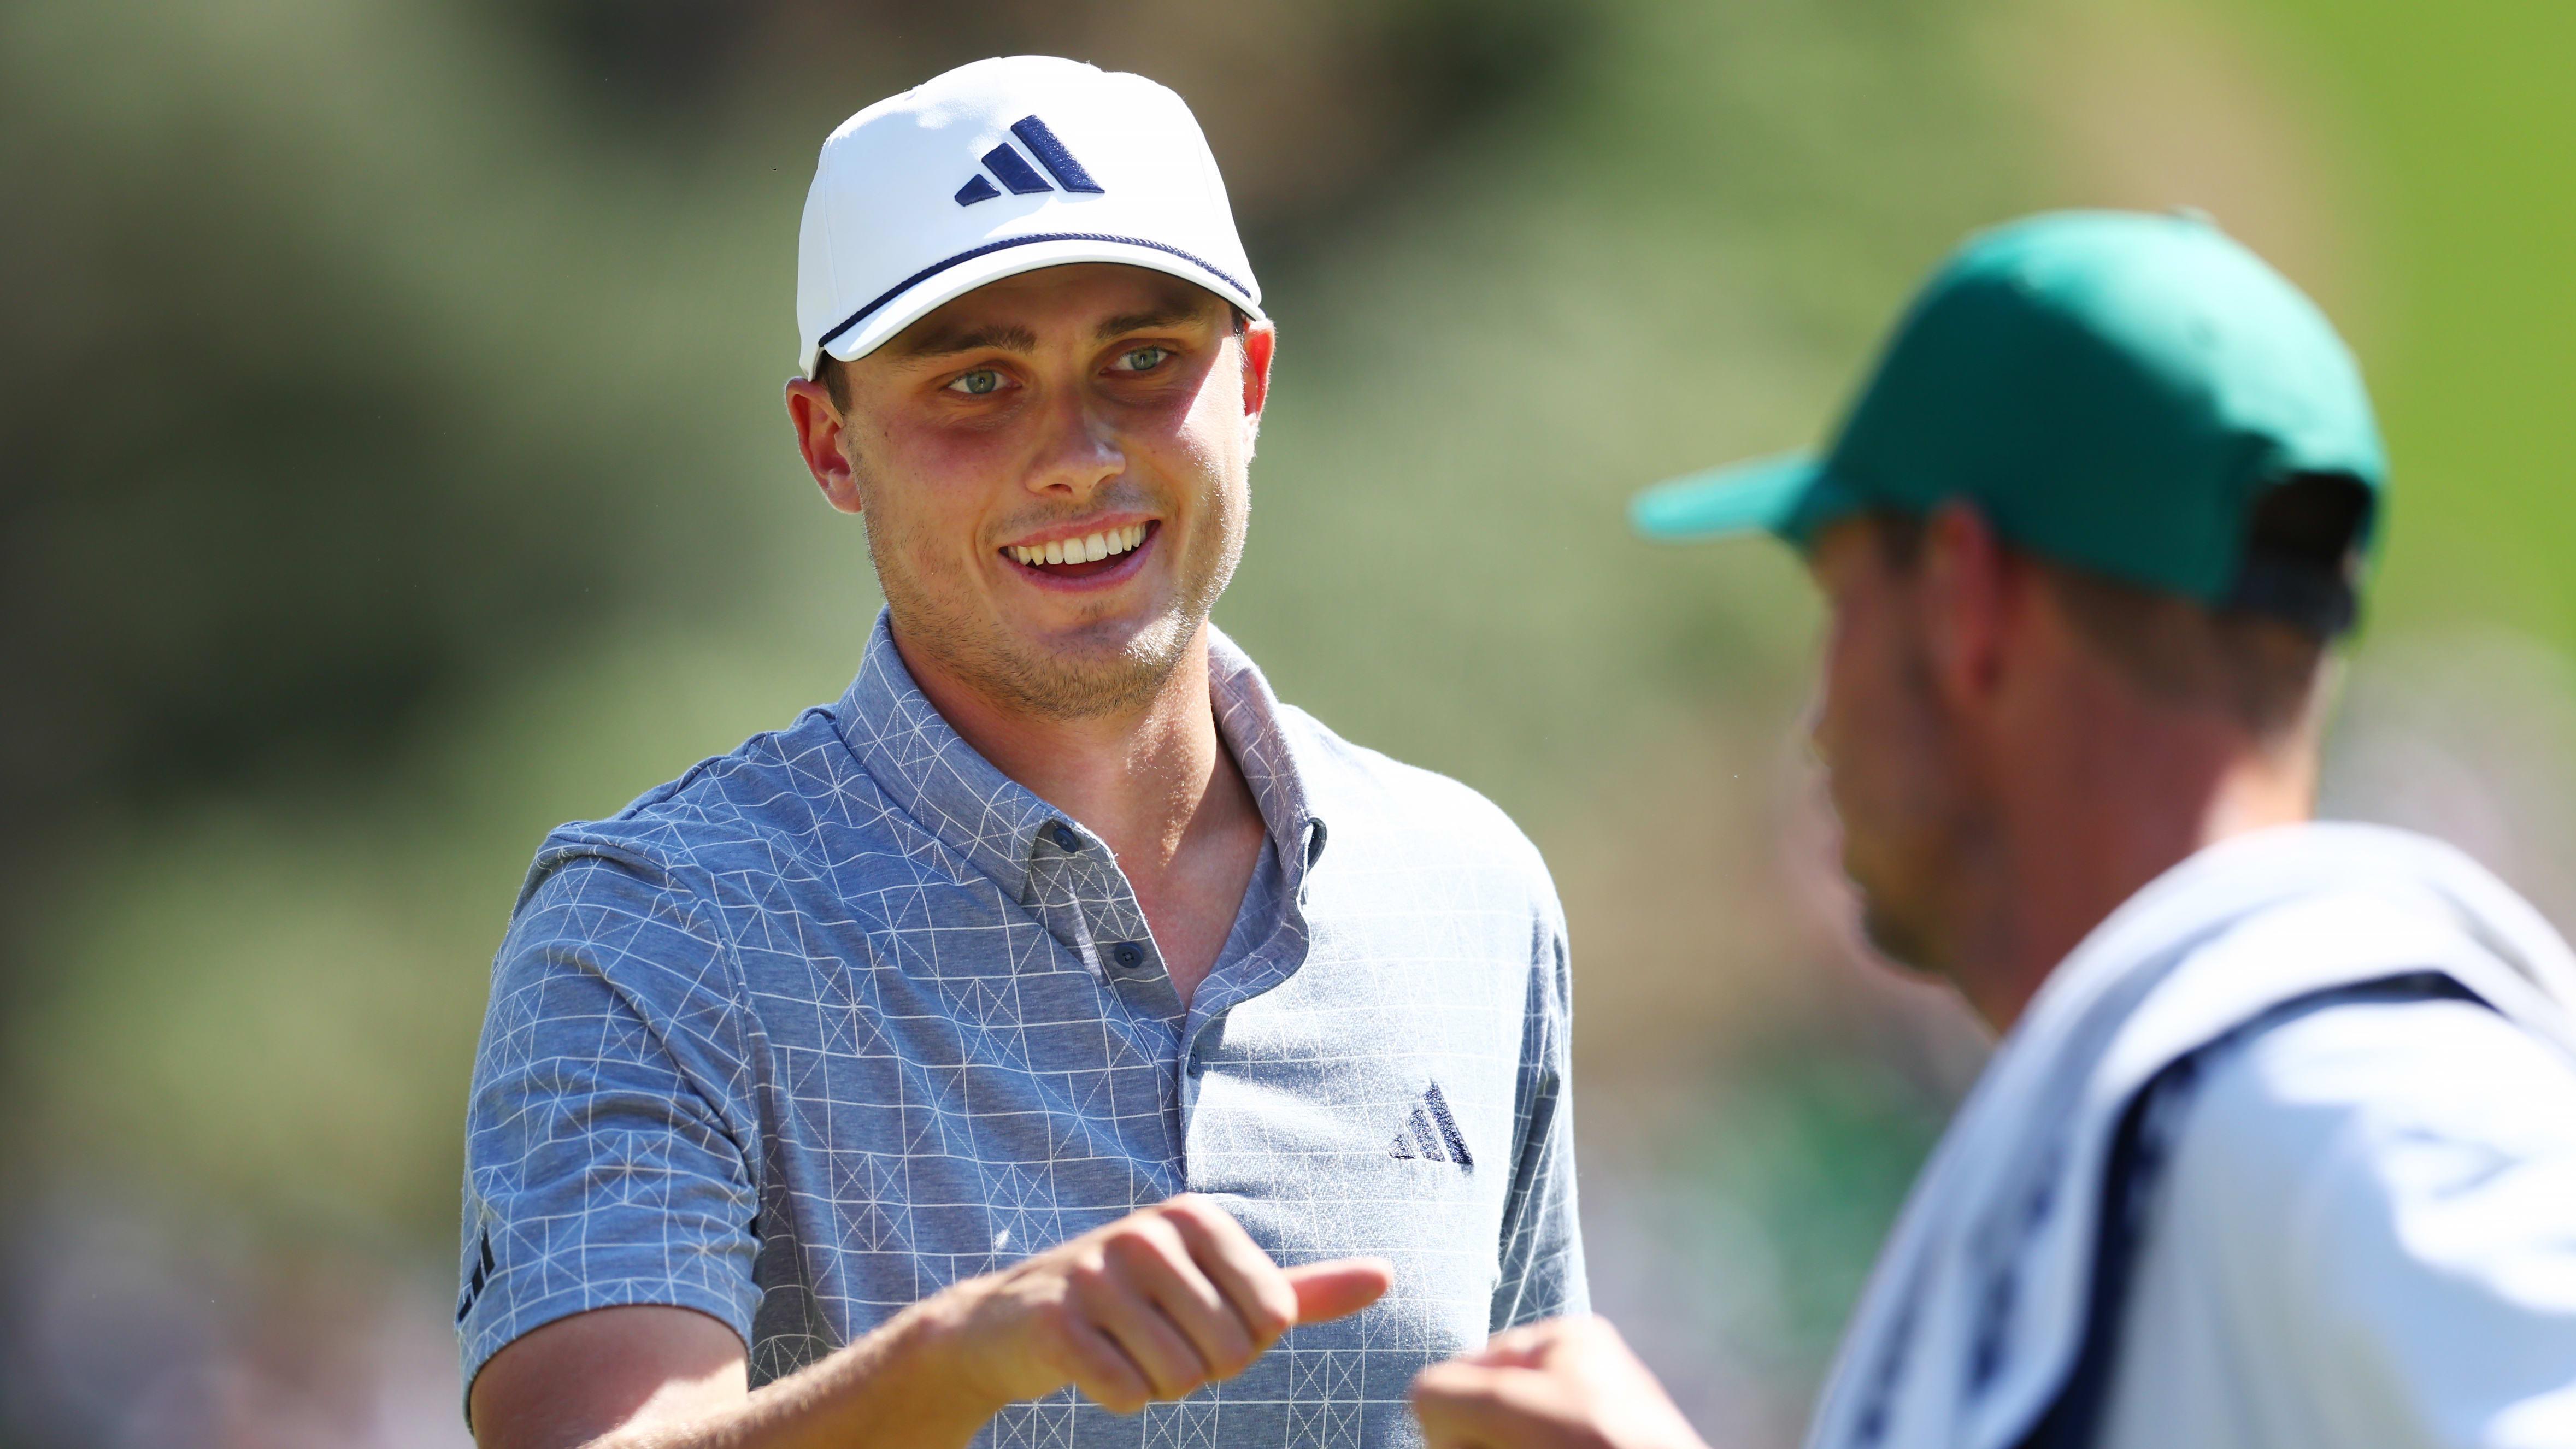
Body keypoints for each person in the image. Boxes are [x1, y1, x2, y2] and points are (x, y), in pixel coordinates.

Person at [457, 56, 1585, 1449]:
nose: (1074, 454)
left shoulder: (1466, 893)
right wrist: (966, 1354)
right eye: (976, 381)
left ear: (1252, 382)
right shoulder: (659, 927)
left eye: (1142, 361)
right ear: (830, 445)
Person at [1411, 210, 2576, 1449]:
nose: (1814, 708)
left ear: (1964, 598)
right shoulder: (2201, 1110)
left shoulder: (2344, 1107)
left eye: (1837, 594)